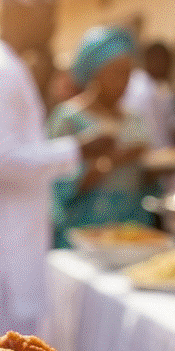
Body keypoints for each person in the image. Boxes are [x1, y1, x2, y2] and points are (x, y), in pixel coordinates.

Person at [0, 0, 112, 342]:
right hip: (1, 263)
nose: (52, 26)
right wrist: (77, 148)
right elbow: (0, 159)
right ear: (21, 12)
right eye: (49, 14)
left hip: (0, 252)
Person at [48, 26, 152, 249]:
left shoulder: (135, 120)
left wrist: (149, 168)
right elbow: (55, 186)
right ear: (95, 72)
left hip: (132, 232)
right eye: (117, 72)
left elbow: (146, 183)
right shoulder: (68, 118)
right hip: (84, 233)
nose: (124, 81)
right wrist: (112, 161)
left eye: (128, 73)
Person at [123, 41, 175, 149]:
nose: (168, 66)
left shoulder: (160, 89)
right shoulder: (138, 86)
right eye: (163, 60)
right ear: (149, 59)